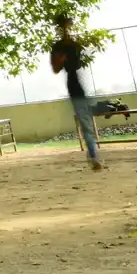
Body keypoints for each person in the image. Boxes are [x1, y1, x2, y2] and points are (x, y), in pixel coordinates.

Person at [51, 14, 104, 170]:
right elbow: (56, 68)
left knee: (87, 123)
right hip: (76, 88)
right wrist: (61, 60)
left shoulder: (73, 45)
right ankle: (93, 155)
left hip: (80, 87)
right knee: (86, 125)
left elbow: (71, 65)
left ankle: (93, 154)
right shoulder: (62, 47)